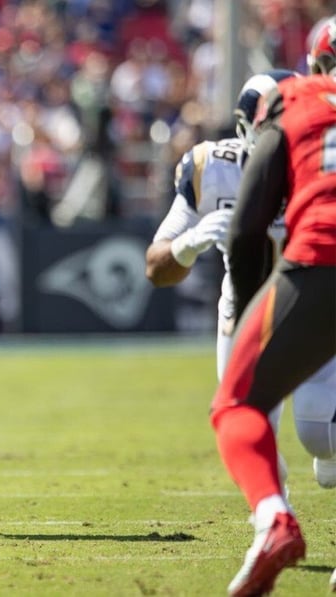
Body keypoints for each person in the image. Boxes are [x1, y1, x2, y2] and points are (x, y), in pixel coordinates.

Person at [209, 19, 336, 596]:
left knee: (237, 404)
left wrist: (254, 305)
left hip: (320, 262)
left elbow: (246, 228)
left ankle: (275, 522)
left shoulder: (296, 99)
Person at [145, 68, 300, 491]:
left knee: (320, 432)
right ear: (246, 127)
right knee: (245, 427)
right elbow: (156, 268)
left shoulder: (321, 163)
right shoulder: (210, 166)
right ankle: (273, 515)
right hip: (244, 311)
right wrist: (188, 245)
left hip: (313, 305)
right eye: (275, 125)